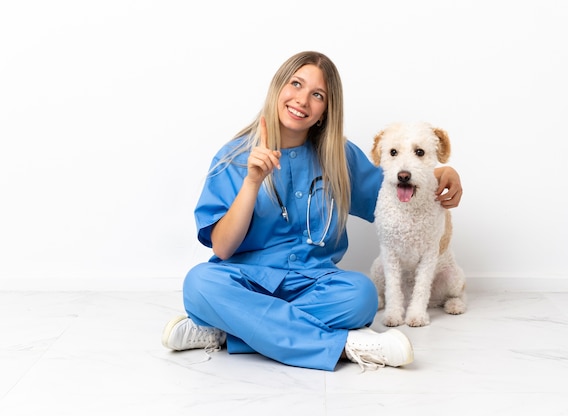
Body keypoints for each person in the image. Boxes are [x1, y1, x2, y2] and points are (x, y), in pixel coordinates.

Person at [161, 51, 463, 371]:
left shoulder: (339, 156)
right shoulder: (233, 156)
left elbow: (395, 193)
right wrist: (252, 183)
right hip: (245, 281)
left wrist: (439, 175)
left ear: (324, 111)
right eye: (296, 84)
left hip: (315, 285)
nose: (302, 100)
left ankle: (226, 329)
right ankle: (346, 345)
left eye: (317, 95)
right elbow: (222, 247)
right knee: (200, 284)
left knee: (361, 296)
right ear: (278, 88)